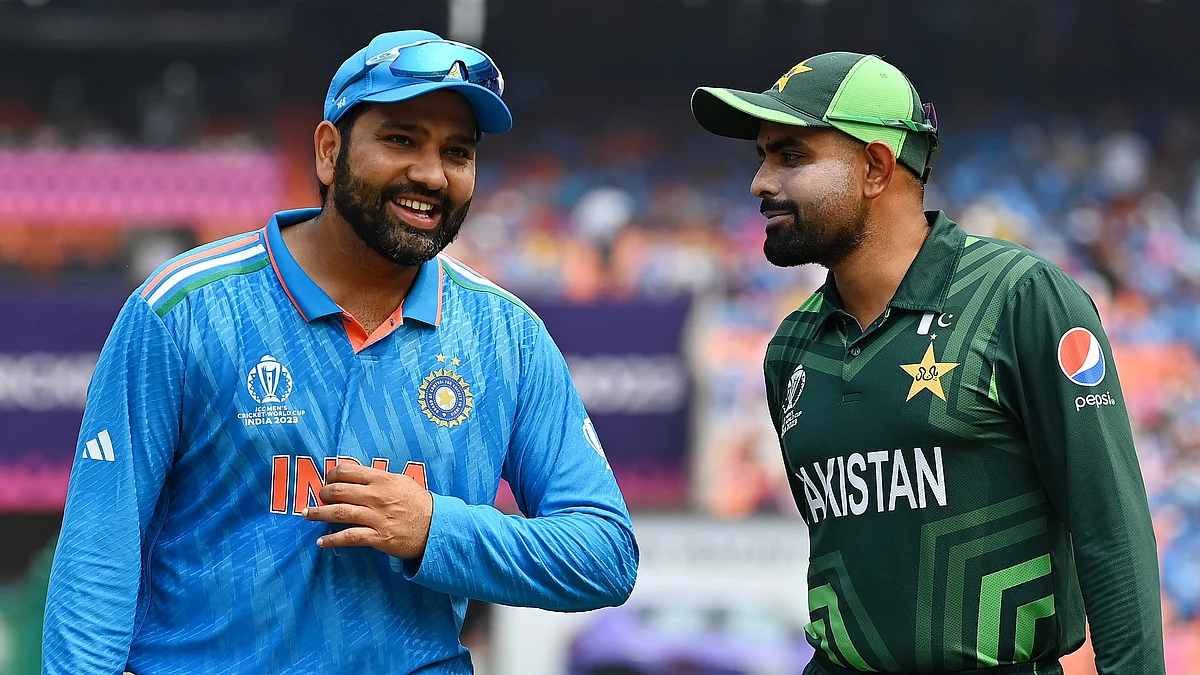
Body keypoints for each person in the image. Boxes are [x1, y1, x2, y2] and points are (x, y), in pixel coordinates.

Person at [42, 29, 638, 675]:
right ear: (329, 151)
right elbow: (98, 552)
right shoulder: (183, 309)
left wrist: (435, 529)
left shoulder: (509, 337)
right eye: (401, 139)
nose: (431, 174)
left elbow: (604, 554)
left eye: (458, 152)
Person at [691, 52, 1164, 675]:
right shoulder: (791, 348)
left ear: (875, 167)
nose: (760, 182)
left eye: (791, 156)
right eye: (762, 157)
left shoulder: (1020, 298)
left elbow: (1112, 530)